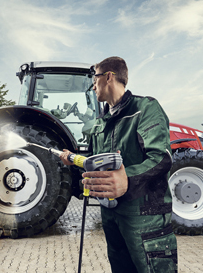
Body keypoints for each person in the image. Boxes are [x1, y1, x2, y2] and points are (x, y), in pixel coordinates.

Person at [60, 56, 178, 273]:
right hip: (112, 214)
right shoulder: (100, 122)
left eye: (94, 79)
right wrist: (73, 158)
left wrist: (128, 179)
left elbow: (162, 158)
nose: (92, 85)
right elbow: (95, 163)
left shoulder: (145, 109)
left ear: (108, 77)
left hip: (144, 215)